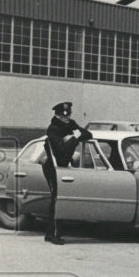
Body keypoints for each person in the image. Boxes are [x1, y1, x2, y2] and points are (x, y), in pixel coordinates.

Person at [42, 101, 91, 245]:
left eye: (68, 114)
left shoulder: (70, 124)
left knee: (59, 199)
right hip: (53, 167)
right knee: (57, 200)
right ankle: (53, 234)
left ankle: (51, 233)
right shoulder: (53, 129)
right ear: (57, 116)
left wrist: (73, 137)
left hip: (63, 166)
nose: (67, 118)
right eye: (64, 116)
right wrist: (73, 137)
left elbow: (88, 133)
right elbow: (62, 149)